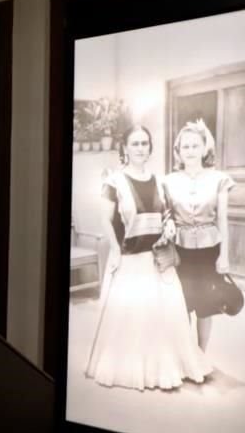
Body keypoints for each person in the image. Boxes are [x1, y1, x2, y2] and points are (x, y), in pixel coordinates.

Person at [84, 125, 212, 390]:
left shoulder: (160, 181)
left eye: (144, 143)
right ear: (125, 148)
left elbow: (167, 215)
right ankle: (134, 369)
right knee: (134, 317)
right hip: (129, 259)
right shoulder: (114, 182)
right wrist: (116, 251)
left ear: (150, 148)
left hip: (158, 260)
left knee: (166, 317)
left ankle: (167, 365)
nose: (140, 148)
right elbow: (105, 220)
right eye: (135, 143)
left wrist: (169, 227)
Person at [163, 119, 236, 352]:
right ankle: (186, 357)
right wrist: (168, 224)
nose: (191, 151)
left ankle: (201, 354)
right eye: (185, 147)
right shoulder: (168, 181)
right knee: (181, 302)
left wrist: (224, 256)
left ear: (205, 148)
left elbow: (222, 220)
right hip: (179, 251)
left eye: (195, 146)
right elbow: (164, 215)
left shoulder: (219, 179)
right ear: (178, 151)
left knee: (206, 304)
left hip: (209, 249)